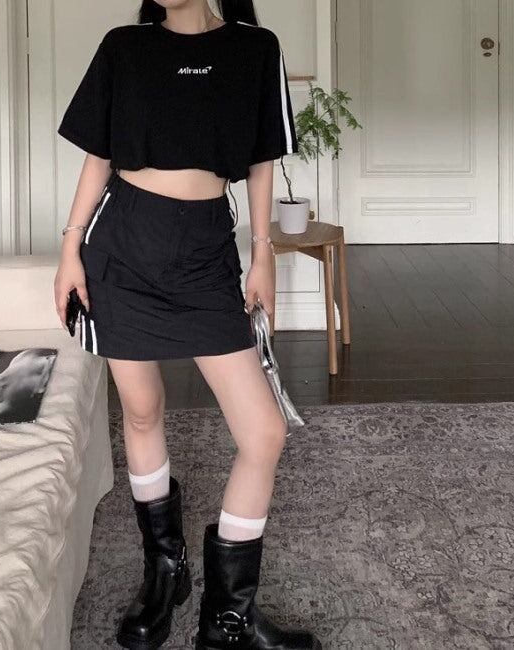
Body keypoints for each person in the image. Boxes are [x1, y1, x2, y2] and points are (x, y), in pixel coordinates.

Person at [54, 1, 321, 649]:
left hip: (205, 254)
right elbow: (99, 155)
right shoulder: (125, 47)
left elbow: (262, 156)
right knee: (142, 412)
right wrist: (69, 249)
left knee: (264, 431)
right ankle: (165, 571)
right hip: (122, 247)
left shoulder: (254, 49)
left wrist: (263, 252)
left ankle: (227, 620)